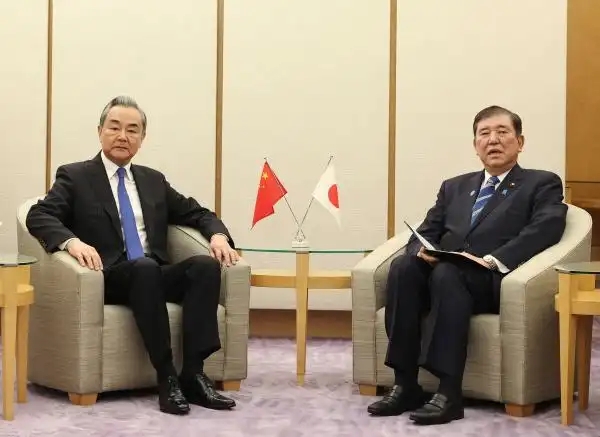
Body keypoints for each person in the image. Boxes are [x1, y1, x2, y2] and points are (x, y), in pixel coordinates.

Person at [26, 95, 240, 416]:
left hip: (152, 272)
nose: (122, 136)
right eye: (114, 127)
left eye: (132, 130)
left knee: (204, 267)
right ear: (100, 131)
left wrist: (218, 235)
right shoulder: (76, 176)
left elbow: (197, 213)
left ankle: (194, 374)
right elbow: (39, 215)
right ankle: (167, 377)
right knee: (143, 268)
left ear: (142, 138)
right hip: (109, 276)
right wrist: (72, 243)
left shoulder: (153, 180)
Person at [367, 105, 567, 425]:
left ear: (520, 141)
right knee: (404, 268)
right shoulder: (454, 186)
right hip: (446, 275)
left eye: (502, 132)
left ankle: (449, 392)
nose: (493, 140)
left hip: (493, 280)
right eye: (484, 134)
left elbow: (546, 228)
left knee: (448, 273)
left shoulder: (541, 183)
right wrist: (420, 251)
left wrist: (491, 260)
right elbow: (426, 231)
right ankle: (405, 384)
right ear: (475, 145)